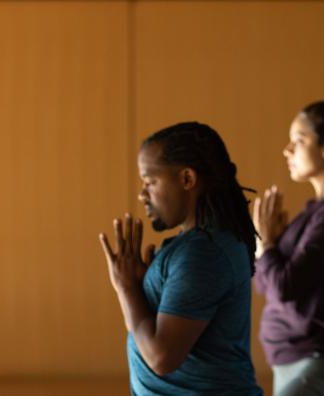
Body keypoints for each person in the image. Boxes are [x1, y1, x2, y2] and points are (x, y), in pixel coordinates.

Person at [99, 122, 263, 395]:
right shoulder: (198, 246)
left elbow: (161, 357)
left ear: (187, 179)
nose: (142, 194)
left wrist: (126, 288)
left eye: (150, 181)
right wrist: (143, 290)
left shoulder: (203, 253)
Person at [253, 97, 324, 396]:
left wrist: (267, 246)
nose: (287, 150)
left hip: (316, 359)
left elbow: (284, 286)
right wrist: (270, 248)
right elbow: (265, 284)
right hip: (293, 359)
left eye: (298, 140)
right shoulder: (316, 211)